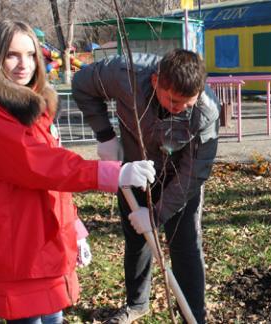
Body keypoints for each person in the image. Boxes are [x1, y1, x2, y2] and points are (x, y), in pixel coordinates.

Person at [0, 20, 155, 323]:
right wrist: (113, 174)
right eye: (12, 55)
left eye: (30, 55)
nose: (23, 65)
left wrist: (73, 229)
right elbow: (43, 165)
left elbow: (53, 182)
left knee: (53, 317)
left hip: (46, 242)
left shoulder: (32, 109)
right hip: (20, 249)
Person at [72, 49, 220, 323]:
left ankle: (194, 316)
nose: (179, 108)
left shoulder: (207, 110)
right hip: (134, 170)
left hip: (179, 179)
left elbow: (195, 172)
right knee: (136, 241)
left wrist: (155, 215)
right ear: (155, 81)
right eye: (173, 100)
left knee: (185, 245)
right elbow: (81, 84)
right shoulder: (124, 74)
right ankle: (137, 303)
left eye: (188, 104)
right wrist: (104, 135)